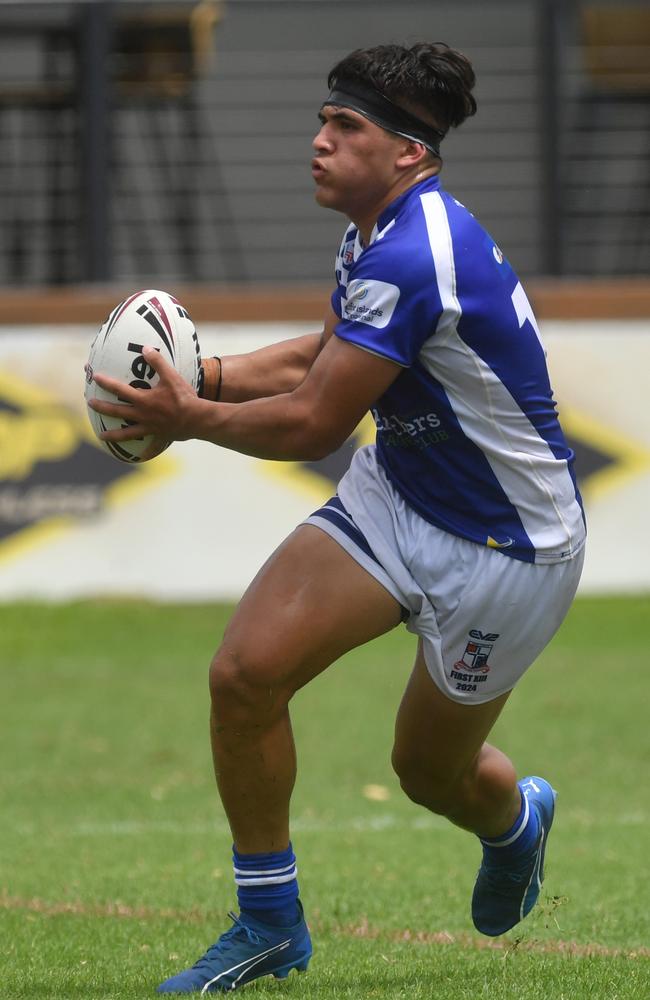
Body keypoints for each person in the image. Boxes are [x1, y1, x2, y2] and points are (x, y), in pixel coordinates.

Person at [88, 42, 586, 994]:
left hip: (510, 549)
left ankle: (515, 822)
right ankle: (270, 922)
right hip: (399, 493)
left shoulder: (414, 252)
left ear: (408, 153)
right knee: (244, 675)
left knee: (430, 774)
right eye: (323, 119)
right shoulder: (377, 231)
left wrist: (189, 418)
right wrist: (214, 374)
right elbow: (331, 350)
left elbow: (318, 418)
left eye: (343, 127)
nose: (317, 141)